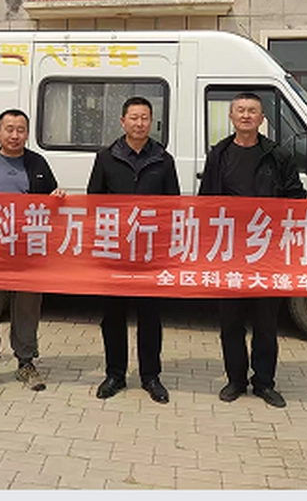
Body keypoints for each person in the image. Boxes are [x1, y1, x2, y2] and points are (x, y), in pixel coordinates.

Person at [198, 92, 307, 409]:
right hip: (229, 251)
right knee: (230, 322)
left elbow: (296, 197)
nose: (246, 116)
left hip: (267, 253)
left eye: (252, 111)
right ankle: (235, 380)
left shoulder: (278, 155)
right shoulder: (219, 154)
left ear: (262, 119)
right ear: (231, 116)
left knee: (266, 323)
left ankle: (264, 382)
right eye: (240, 110)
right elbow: (206, 202)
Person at [0, 109, 66, 395]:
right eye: (9, 129)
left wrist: (57, 197)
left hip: (27, 253)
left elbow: (51, 204)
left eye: (20, 130)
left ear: (27, 133)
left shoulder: (37, 163)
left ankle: (26, 363)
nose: (14, 135)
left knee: (27, 309)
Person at [87, 96, 180, 404]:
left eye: (145, 118)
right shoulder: (106, 158)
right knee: (112, 316)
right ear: (123, 121)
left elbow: (173, 206)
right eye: (134, 118)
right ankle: (115, 374)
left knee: (150, 317)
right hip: (115, 251)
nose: (140, 123)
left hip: (150, 253)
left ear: (151, 122)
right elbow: (93, 202)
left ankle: (151, 376)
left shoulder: (163, 159)